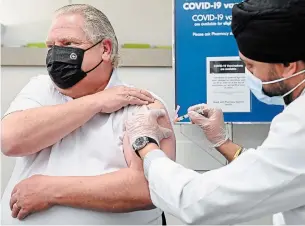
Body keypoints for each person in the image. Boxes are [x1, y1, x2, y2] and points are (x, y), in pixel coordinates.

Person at [122, 0, 305, 225]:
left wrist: (146, 144)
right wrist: (222, 141)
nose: (249, 76)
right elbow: (282, 172)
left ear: (289, 65)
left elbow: (196, 203)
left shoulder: (300, 123)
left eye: (250, 66)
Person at [1, 4, 176, 225]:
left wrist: (50, 190)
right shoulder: (41, 88)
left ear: (105, 49)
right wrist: (95, 102)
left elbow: (148, 186)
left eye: (68, 44)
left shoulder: (140, 103)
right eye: (50, 46)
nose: (56, 54)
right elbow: (11, 140)